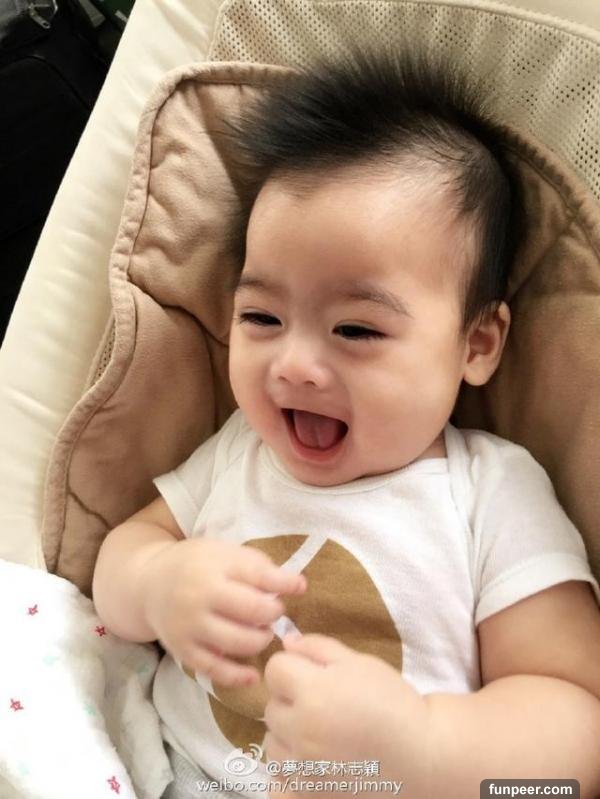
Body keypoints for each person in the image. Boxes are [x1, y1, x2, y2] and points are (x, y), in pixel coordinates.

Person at [92, 43, 600, 799]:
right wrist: (158, 583)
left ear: (476, 344)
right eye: (262, 317)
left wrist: (425, 747)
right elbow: (121, 555)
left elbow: (577, 732)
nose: (293, 365)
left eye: (356, 329)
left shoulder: (491, 492)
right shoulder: (240, 449)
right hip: (170, 773)